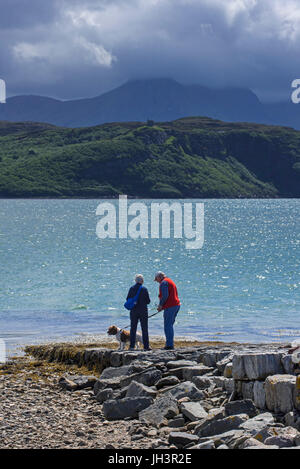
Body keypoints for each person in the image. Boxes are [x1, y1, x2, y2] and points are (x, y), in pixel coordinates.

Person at [154, 271, 180, 350]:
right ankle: (170, 343)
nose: (157, 281)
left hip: (171, 306)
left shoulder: (164, 283)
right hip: (176, 305)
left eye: (156, 279)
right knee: (170, 325)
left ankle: (169, 345)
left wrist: (161, 305)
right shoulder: (169, 281)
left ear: (159, 277)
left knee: (167, 325)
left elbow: (165, 295)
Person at [126, 274, 151, 351]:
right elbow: (148, 301)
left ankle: (132, 346)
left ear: (135, 281)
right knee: (144, 329)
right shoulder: (144, 289)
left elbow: (128, 299)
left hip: (134, 311)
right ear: (142, 281)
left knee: (133, 328)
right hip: (143, 311)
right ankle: (146, 346)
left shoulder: (131, 288)